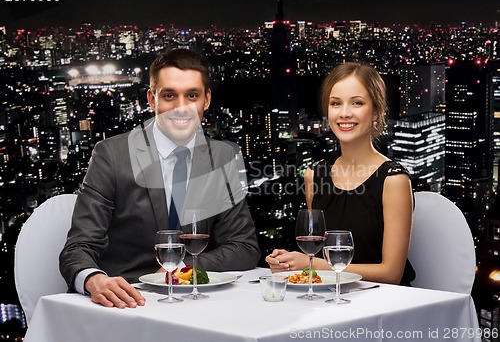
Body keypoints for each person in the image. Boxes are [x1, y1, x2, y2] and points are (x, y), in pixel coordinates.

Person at [60, 49, 261, 308]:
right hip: (127, 302)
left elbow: (243, 247)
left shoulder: (220, 158)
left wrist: (181, 269)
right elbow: (78, 247)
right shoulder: (112, 155)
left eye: (192, 95)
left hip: (198, 301)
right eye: (169, 96)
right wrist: (94, 279)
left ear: (206, 100)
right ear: (152, 100)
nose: (181, 108)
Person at [266, 62, 415, 286]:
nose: (344, 113)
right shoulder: (313, 175)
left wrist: (311, 264)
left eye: (357, 103)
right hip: (328, 298)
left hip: (383, 304)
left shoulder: (393, 180)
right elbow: (313, 249)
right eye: (336, 103)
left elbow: (391, 273)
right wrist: (287, 263)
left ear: (376, 112)